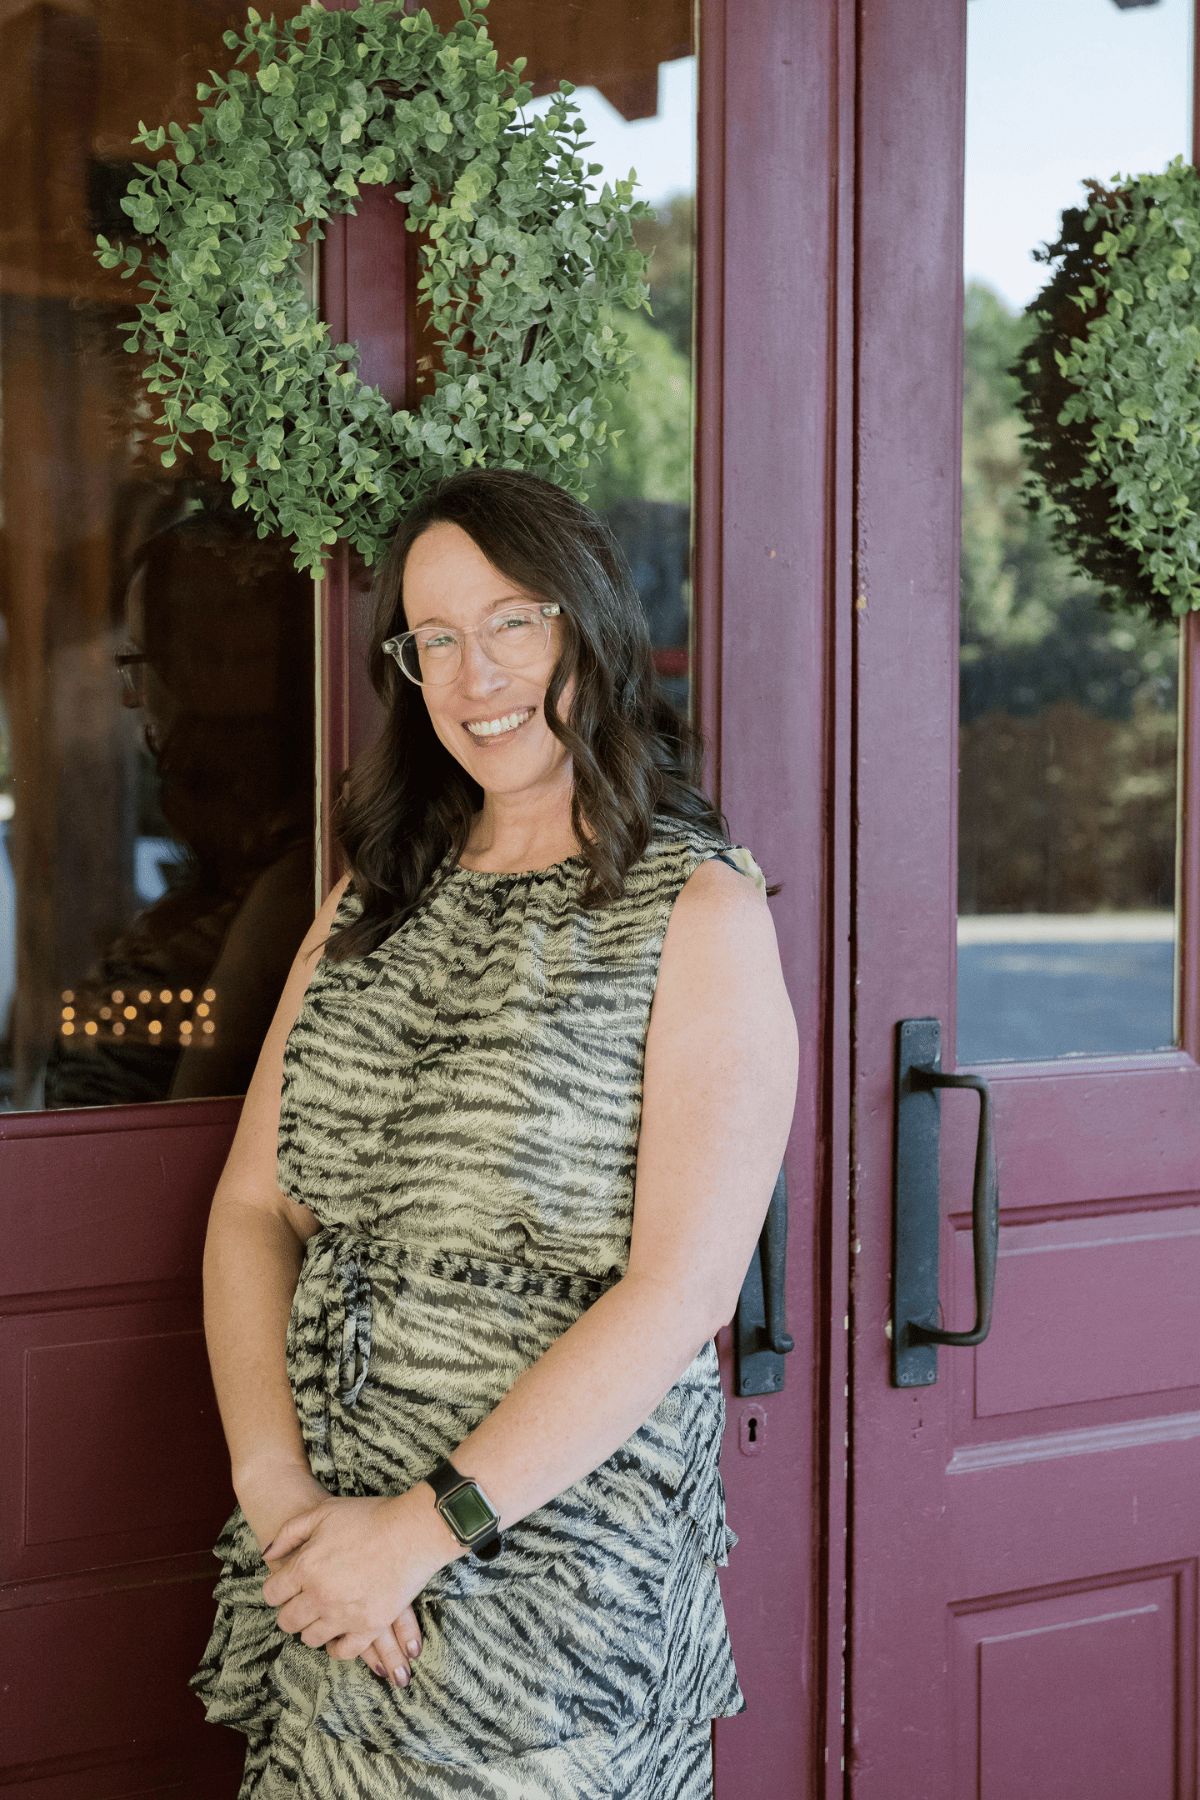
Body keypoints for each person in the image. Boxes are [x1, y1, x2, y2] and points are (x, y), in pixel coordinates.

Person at [192, 468, 798, 1799]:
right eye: (437, 639)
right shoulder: (370, 903)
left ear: (590, 624)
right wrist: (283, 1502)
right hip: (329, 1564)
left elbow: (681, 1294)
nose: (477, 676)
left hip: (547, 1588)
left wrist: (422, 1532)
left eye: (514, 621)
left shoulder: (696, 916)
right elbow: (252, 1208)